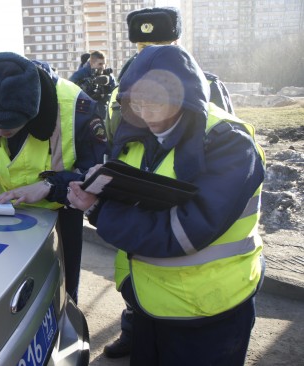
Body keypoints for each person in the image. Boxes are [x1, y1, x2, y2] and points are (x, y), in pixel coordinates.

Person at [67, 44, 265, 365]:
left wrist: (99, 210)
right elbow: (123, 188)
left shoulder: (230, 143)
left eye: (158, 103)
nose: (148, 115)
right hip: (150, 304)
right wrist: (69, 185)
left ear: (185, 97)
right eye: (138, 104)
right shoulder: (136, 133)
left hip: (210, 314)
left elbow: (183, 231)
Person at [101, 7, 236, 359]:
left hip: (186, 226)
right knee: (139, 286)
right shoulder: (123, 91)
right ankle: (133, 325)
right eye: (143, 45)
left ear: (177, 42)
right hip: (136, 209)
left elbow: (219, 161)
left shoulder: (203, 85)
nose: (150, 52)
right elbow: (117, 143)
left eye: (160, 43)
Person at [0, 52, 108, 304]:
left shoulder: (76, 108)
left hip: (59, 218)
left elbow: (97, 177)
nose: (0, 132)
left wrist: (50, 187)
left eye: (10, 124)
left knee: (61, 294)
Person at [106, 6, 235, 144]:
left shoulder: (208, 87)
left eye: (160, 46)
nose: (152, 54)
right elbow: (112, 142)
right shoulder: (119, 92)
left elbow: (227, 139)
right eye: (144, 47)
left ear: (176, 44)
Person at [69, 50, 117, 120]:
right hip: (85, 114)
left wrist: (104, 92)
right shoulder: (81, 74)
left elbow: (114, 94)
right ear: (92, 63)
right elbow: (70, 88)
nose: (103, 67)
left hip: (103, 113)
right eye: (100, 64)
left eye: (104, 64)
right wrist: (85, 88)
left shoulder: (108, 76)